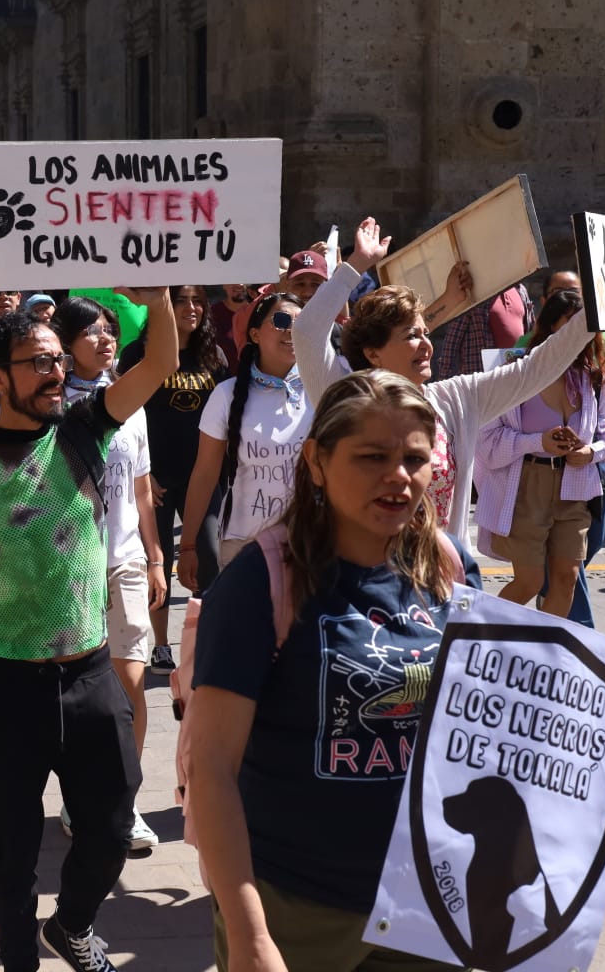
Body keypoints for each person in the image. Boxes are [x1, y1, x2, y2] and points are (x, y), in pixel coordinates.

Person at [188, 370, 480, 972]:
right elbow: (211, 768)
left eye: (414, 459)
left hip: (426, 904)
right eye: (372, 457)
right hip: (297, 911)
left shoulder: (451, 571)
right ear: (316, 461)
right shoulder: (260, 582)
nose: (398, 477)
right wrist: (249, 935)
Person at [0, 286, 177, 972]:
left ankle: (72, 925)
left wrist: (157, 296)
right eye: (39, 362)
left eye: (60, 359)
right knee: (12, 858)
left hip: (91, 678)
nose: (58, 372)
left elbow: (158, 364)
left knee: (115, 825)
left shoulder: (87, 430)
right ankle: (20, 961)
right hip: (5, 688)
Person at [295, 216, 596, 546]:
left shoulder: (456, 398)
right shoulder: (343, 397)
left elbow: (535, 369)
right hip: (366, 576)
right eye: (412, 335)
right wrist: (356, 265)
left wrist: (595, 312)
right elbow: (307, 332)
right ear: (373, 353)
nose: (427, 345)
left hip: (440, 576)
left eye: (426, 334)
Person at [54, 297, 165, 851]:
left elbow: (142, 488)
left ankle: (125, 798)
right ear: (67, 342)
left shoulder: (133, 401)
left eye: (109, 332)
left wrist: (156, 555)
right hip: (69, 563)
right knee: (80, 692)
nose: (103, 341)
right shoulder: (50, 404)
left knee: (131, 682)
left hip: (124, 561)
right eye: (91, 332)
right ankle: (79, 798)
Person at [476, 291, 605, 621]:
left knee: (567, 578)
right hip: (526, 487)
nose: (578, 334)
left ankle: (547, 654)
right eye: (570, 324)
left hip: (576, 488)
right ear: (550, 328)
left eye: (585, 327)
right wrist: (537, 441)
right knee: (529, 581)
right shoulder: (516, 371)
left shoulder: (593, 377)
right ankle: (480, 637)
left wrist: (591, 451)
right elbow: (487, 441)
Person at [119, 285, 229, 673]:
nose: (192, 308)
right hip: (156, 479)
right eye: (181, 300)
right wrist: (144, 474)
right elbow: (127, 413)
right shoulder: (138, 354)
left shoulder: (213, 356)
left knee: (210, 558)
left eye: (198, 300)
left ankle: (209, 639)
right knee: (158, 559)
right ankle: (161, 644)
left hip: (203, 475)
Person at [177, 293, 309, 587]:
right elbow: (204, 474)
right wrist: (187, 546)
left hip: (308, 546)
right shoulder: (226, 395)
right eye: (281, 320)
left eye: (300, 323)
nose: (291, 330)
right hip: (242, 546)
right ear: (254, 334)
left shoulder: (322, 388)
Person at [432, 277, 535, 382]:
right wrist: (443, 383)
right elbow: (451, 344)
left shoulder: (520, 289)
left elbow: (532, 335)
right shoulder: (474, 292)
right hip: (481, 385)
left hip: (516, 381)